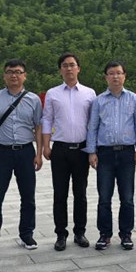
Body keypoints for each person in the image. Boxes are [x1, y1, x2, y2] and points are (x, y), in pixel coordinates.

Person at [0, 59, 43, 253]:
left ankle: (27, 234)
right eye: (9, 72)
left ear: (24, 76)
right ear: (4, 75)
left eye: (18, 72)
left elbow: (38, 127)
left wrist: (39, 153)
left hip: (25, 152)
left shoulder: (34, 100)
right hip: (1, 152)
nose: (14, 75)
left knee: (28, 196)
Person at [86, 61, 136, 250]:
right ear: (106, 77)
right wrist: (91, 152)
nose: (115, 77)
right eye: (111, 73)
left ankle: (126, 234)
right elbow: (92, 127)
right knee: (104, 197)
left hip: (127, 153)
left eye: (119, 73)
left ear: (124, 76)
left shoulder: (133, 99)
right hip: (105, 153)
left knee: (127, 197)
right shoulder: (99, 101)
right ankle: (104, 235)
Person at [41, 52, 96, 251]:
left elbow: (93, 123)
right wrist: (46, 145)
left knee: (80, 193)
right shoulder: (53, 93)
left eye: (72, 65)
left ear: (78, 68)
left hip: (81, 149)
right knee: (60, 194)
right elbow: (47, 119)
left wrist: (93, 149)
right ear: (60, 70)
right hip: (60, 150)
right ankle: (60, 234)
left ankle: (80, 232)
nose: (69, 68)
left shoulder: (89, 93)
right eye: (65, 65)